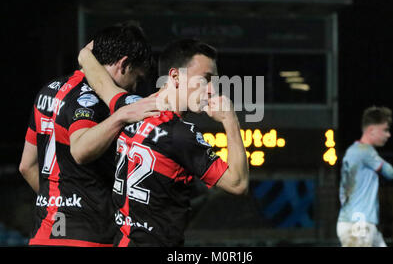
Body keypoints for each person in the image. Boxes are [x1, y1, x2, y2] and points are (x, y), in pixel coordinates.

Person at [78, 38, 249, 247]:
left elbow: (101, 82)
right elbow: (238, 183)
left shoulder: (130, 108)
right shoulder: (182, 135)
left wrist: (85, 55)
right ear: (175, 76)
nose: (212, 90)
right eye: (206, 79)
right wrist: (230, 119)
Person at [19, 21, 159, 247]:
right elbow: (81, 150)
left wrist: (61, 204)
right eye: (137, 79)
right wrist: (121, 115)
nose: (134, 89)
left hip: (44, 233)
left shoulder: (48, 91)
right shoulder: (91, 98)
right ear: (123, 64)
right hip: (88, 236)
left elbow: (26, 166)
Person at [337, 106, 393, 247]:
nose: (388, 135)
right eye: (385, 130)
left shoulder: (352, 151)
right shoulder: (366, 151)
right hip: (359, 223)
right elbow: (391, 173)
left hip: (355, 221)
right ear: (371, 130)